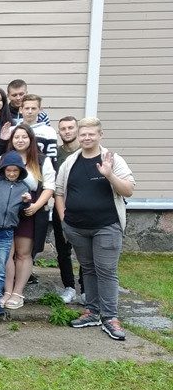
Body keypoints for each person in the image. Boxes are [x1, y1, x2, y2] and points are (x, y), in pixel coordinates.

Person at [55, 117, 135, 341]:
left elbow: (128, 190)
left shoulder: (113, 159)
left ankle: (110, 317)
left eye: (91, 134)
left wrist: (109, 175)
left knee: (106, 270)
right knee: (88, 269)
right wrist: (64, 219)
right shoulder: (70, 162)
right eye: (83, 134)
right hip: (77, 228)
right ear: (78, 136)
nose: (87, 138)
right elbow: (59, 192)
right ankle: (92, 311)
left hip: (106, 226)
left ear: (100, 135)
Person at [0, 124, 55, 310]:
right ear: (12, 140)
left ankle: (18, 292)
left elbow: (49, 187)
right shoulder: (3, 159)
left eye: (24, 137)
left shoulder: (41, 160)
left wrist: (36, 206)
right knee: (6, 254)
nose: (20, 140)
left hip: (28, 212)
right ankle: (7, 290)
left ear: (31, 139)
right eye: (16, 137)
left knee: (23, 253)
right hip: (4, 215)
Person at [0, 151, 32, 318]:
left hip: (7, 232)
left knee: (0, 266)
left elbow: (23, 212)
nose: (11, 173)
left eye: (15, 170)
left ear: (20, 171)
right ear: (3, 170)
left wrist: (27, 203)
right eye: (8, 170)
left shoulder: (24, 188)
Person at [54, 116, 83, 303]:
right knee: (63, 250)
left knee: (84, 250)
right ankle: (69, 287)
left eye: (70, 127)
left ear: (77, 129)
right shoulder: (56, 154)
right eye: (63, 129)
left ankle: (86, 288)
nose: (67, 131)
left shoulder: (86, 152)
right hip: (61, 207)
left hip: (83, 209)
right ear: (59, 132)